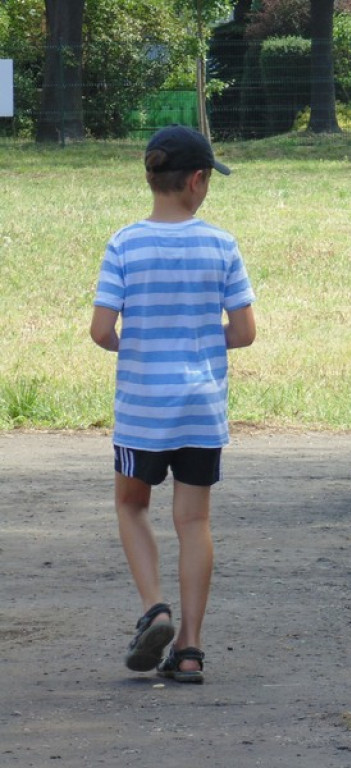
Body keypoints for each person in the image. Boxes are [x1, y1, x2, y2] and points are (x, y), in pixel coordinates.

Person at [90, 125, 256, 684]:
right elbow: (244, 332)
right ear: (197, 180)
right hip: (201, 409)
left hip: (144, 408)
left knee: (131, 505)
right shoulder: (221, 245)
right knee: (194, 520)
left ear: (151, 178)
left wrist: (138, 344)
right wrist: (202, 340)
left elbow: (101, 330)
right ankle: (189, 649)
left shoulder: (125, 244)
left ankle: (154, 609)